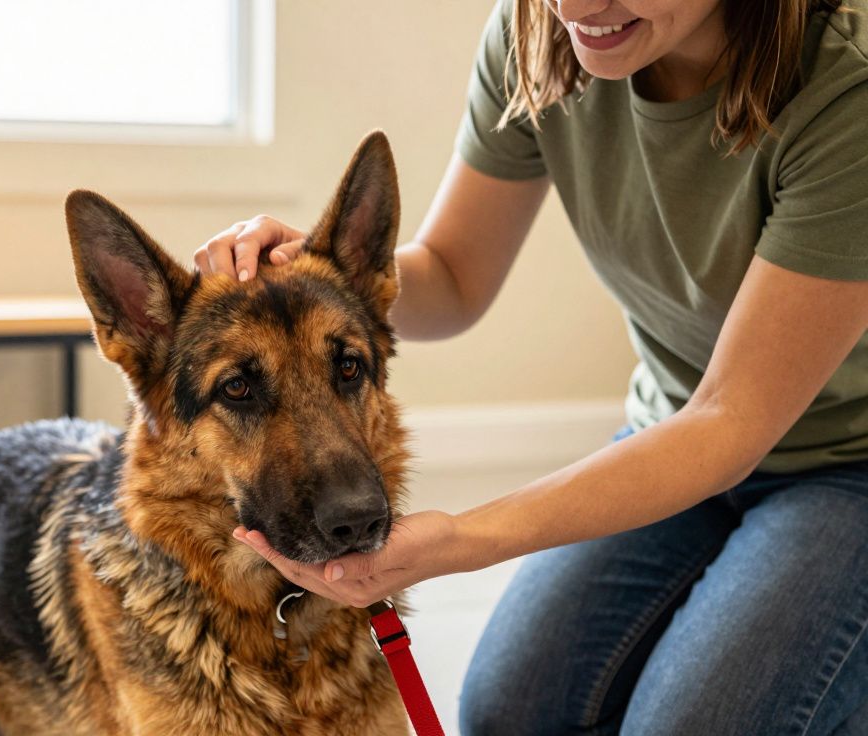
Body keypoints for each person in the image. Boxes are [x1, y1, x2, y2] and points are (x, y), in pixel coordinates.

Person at [197, 0, 868, 733]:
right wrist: (329, 277)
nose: (574, 8)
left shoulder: (849, 86)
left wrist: (464, 540)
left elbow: (730, 420)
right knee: (511, 713)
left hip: (846, 465)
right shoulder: (544, 33)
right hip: (675, 428)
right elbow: (453, 275)